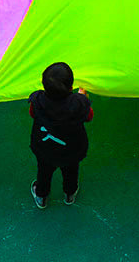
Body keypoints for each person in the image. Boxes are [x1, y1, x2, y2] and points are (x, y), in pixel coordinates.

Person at [29, 62, 93, 208]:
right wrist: (82, 98)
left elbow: (32, 113)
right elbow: (89, 117)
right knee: (71, 171)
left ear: (44, 86)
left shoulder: (38, 100)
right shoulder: (78, 103)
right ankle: (70, 194)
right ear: (71, 87)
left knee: (44, 172)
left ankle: (41, 197)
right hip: (72, 150)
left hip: (44, 149)